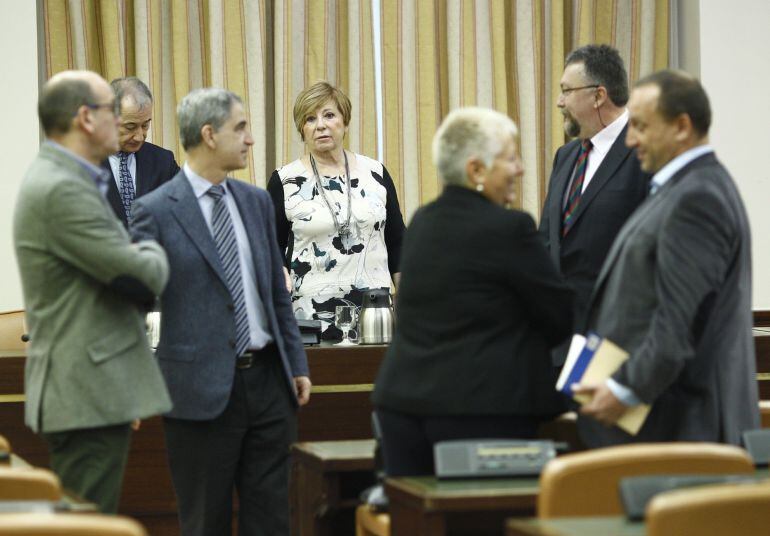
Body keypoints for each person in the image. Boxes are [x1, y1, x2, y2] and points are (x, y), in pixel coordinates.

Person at [131, 88, 311, 535]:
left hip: (270, 384)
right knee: (205, 522)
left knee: (271, 521)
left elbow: (274, 291)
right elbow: (128, 307)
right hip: (199, 392)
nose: (250, 139)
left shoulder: (256, 201)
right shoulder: (155, 211)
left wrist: (296, 362)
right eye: (241, 128)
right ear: (209, 135)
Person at [371, 107, 574, 476]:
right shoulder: (510, 228)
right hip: (482, 411)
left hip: (403, 408)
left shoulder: (421, 223)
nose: (520, 169)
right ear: (476, 170)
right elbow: (558, 319)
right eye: (511, 159)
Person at [573, 70, 759, 447]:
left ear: (681, 127)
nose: (630, 139)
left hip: (684, 429)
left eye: (640, 126)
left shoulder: (697, 199)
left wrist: (624, 389)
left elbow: (677, 322)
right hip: (666, 424)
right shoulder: (680, 189)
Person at [13, 70, 171, 512]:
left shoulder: (68, 178)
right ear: (87, 117)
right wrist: (161, 250)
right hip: (85, 389)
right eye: (115, 115)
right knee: (88, 521)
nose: (136, 133)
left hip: (94, 384)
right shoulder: (65, 187)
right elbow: (140, 276)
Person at [539, 44, 649, 366]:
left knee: (602, 419)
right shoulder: (566, 156)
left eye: (566, 91)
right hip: (561, 342)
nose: (560, 102)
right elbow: (548, 241)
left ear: (599, 95)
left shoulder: (645, 152)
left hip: (618, 342)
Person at [267, 81, 405, 339]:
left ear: (345, 121)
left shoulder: (376, 173)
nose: (320, 125)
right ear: (302, 129)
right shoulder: (284, 180)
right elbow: (269, 248)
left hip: (375, 314)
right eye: (310, 119)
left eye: (329, 115)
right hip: (309, 317)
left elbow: (398, 242)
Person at [104, 76, 180, 227]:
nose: (140, 136)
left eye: (145, 125)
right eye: (130, 127)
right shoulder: (80, 163)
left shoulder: (163, 161)